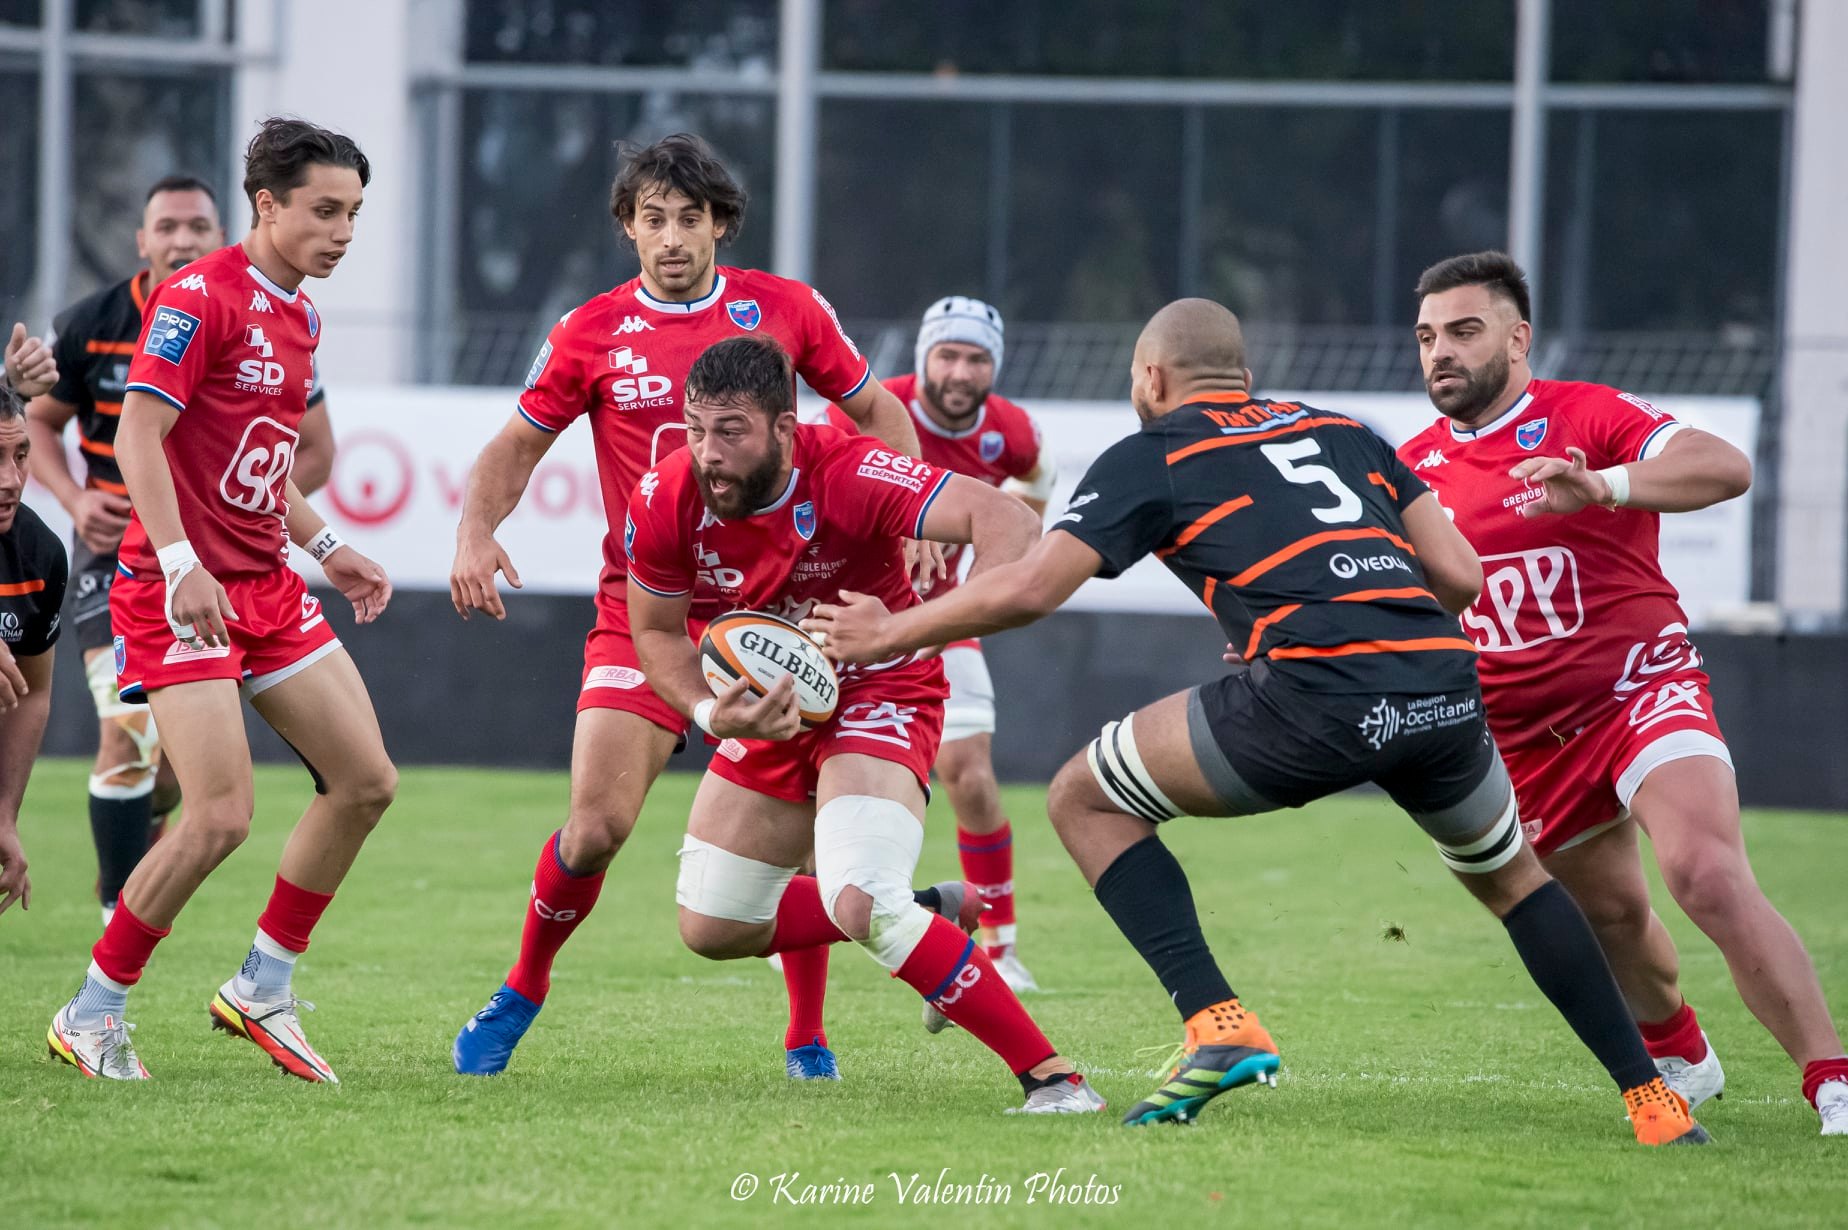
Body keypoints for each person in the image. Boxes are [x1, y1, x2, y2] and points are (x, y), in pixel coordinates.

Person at [809, 298, 1709, 1145]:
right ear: (1238, 372)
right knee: (1515, 882)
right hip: (1440, 685)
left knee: (1083, 798)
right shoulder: (1348, 430)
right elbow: (1463, 579)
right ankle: (1654, 1100)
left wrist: (891, 629)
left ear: (1152, 377)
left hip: (1316, 696)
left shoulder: (1153, 451)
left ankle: (1219, 1024)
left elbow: (1033, 587)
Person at [449, 133, 936, 1081]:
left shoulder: (786, 309)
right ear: (628, 228)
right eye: (652, 220)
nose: (671, 238)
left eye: (689, 218)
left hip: (784, 611)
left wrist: (912, 504)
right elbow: (514, 448)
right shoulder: (589, 331)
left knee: (788, 844)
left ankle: (806, 1036)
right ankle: (522, 988)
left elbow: (877, 412)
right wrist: (474, 531)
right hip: (650, 607)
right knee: (594, 828)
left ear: (721, 223)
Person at [1400, 250, 1846, 1135]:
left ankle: (1831, 1078)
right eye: (1425, 337)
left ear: (1518, 337)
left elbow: (1723, 466)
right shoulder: (1409, 470)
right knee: (1609, 914)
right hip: (1524, 739)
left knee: (1705, 873)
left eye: (1463, 330)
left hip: (1638, 690)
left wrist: (1603, 485)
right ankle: (1683, 1054)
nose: (1439, 352)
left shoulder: (1584, 415)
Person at [626, 333, 1102, 1114]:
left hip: (882, 689)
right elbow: (652, 633)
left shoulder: (849, 471)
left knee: (862, 901)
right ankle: (935, 911)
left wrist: (908, 632)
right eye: (695, 428)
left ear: (783, 429)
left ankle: (1055, 1080)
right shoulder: (668, 491)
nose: (707, 453)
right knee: (710, 924)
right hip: (775, 706)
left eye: (731, 431)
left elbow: (1008, 526)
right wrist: (714, 711)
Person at [44, 118, 395, 1084]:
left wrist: (329, 547)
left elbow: (263, 462)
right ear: (267, 205)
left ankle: (263, 987)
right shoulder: (199, 299)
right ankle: (93, 1009)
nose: (344, 231)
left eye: (355, 213)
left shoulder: (302, 315)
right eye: (325, 210)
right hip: (175, 590)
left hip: (267, 587)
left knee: (366, 782)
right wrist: (178, 557)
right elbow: (139, 439)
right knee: (218, 819)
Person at [25, 174, 338, 926]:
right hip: (124, 562)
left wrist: (276, 523)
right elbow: (40, 424)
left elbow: (314, 453)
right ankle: (115, 906)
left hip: (223, 566)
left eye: (197, 226)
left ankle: (152, 840)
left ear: (218, 230)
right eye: (166, 226)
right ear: (143, 241)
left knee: (182, 778)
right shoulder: (94, 322)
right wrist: (75, 500)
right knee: (126, 735)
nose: (182, 240)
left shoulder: (273, 315)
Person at [825, 296, 1054, 1000]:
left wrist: (985, 573)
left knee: (972, 774)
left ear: (995, 367)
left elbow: (1034, 487)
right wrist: (902, 523)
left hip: (943, 620)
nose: (960, 371)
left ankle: (1003, 946)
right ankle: (799, 921)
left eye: (976, 358)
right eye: (948, 354)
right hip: (856, 613)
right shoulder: (870, 409)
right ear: (924, 356)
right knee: (807, 772)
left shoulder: (1010, 430)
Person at [1, 338, 67, 919]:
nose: (10, 480)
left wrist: (4, 816)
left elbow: (33, 691)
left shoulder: (40, 551)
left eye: (21, 456)